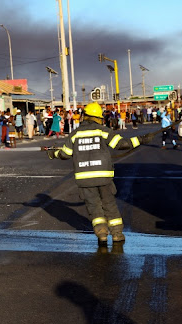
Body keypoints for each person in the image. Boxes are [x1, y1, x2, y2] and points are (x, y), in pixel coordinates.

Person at [46, 102, 153, 243]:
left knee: (94, 207)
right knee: (109, 205)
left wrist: (53, 153)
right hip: (103, 177)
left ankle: (102, 233)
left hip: (85, 179)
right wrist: (141, 139)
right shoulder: (103, 130)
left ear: (84, 117)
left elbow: (65, 153)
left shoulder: (75, 134)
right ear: (98, 118)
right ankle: (117, 234)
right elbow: (121, 144)